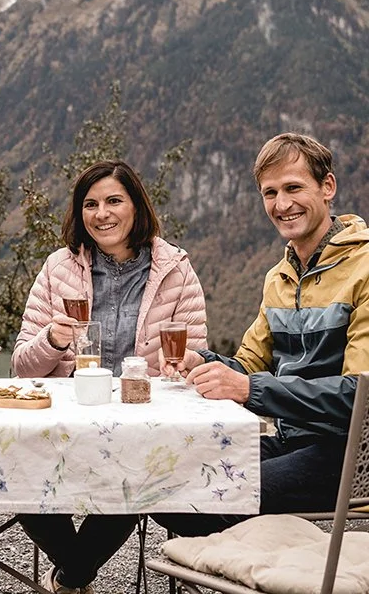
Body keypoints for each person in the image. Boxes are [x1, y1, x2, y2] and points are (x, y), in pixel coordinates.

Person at [154, 132, 369, 537]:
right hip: (291, 439)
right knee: (166, 480)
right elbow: (249, 365)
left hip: (349, 454)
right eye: (270, 193)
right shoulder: (280, 277)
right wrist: (206, 362)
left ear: (328, 187)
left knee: (212, 497)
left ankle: (282, 568)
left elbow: (359, 396)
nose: (282, 204)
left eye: (293, 188)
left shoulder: (365, 269)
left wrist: (248, 389)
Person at [11, 159, 208, 594]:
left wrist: (182, 364)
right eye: (91, 204)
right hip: (64, 424)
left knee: (137, 471)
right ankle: (75, 575)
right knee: (20, 468)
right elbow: (22, 366)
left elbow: (193, 357)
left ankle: (69, 579)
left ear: (136, 206)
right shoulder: (58, 268)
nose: (102, 214)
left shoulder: (175, 269)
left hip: (141, 424)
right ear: (79, 214)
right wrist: (53, 340)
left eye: (114, 200)